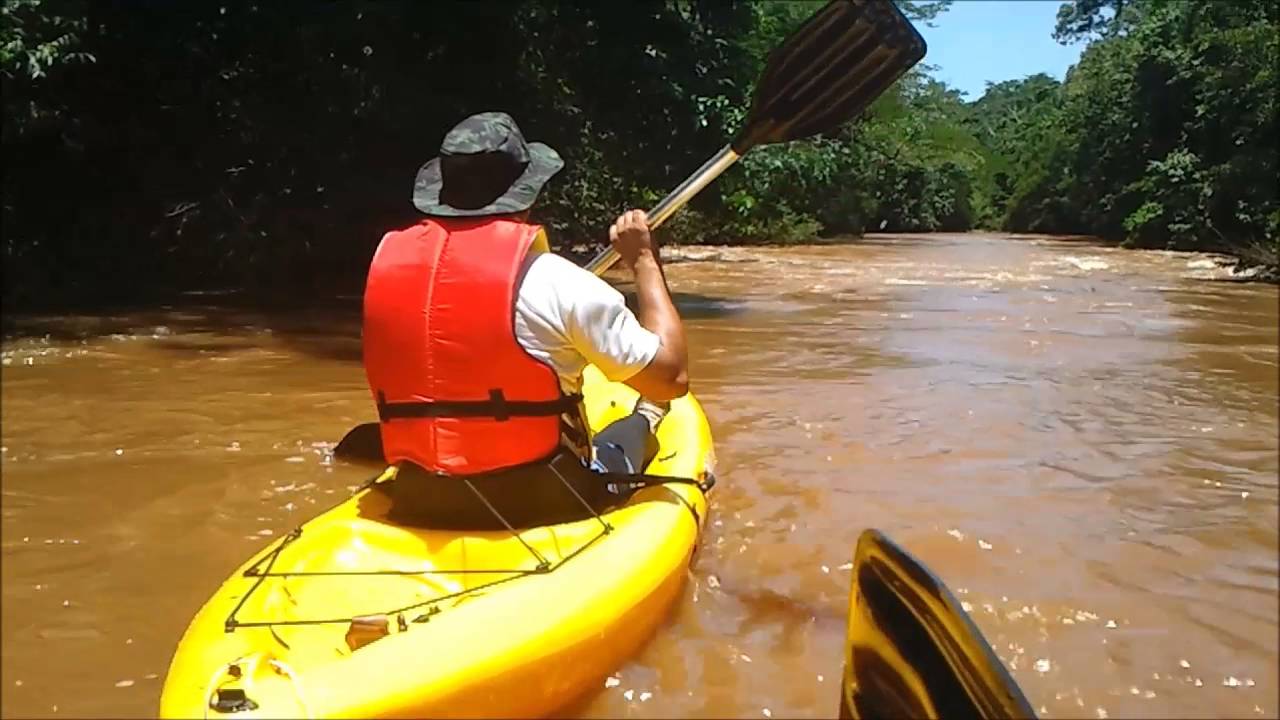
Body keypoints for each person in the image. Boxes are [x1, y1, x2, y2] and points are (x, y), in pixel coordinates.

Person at [360, 111, 689, 528]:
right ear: (528, 194)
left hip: (421, 491)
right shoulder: (557, 281)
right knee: (637, 419)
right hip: (542, 498)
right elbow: (673, 377)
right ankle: (646, 418)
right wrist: (643, 261)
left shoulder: (385, 274)